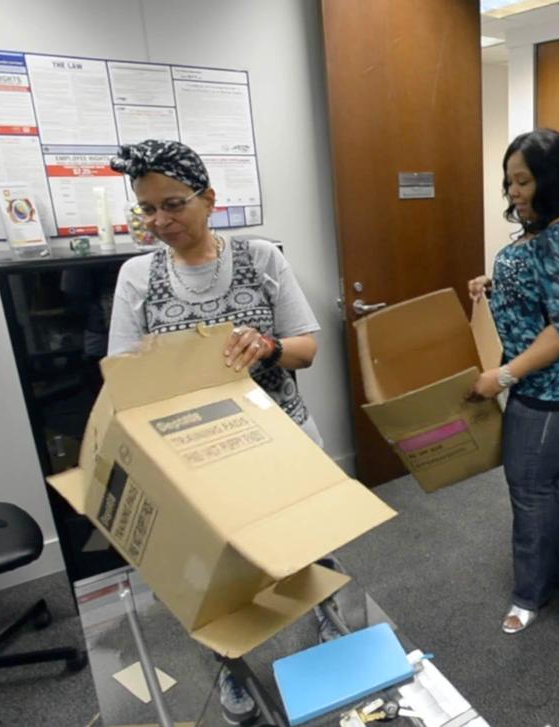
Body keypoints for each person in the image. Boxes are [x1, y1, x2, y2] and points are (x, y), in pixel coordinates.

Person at [107, 139, 337, 725]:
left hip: (280, 437)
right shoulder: (138, 275)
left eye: (174, 204)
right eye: (147, 208)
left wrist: (269, 345)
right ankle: (230, 664)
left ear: (210, 199)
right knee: (216, 572)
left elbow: (307, 349)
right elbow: (121, 375)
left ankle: (325, 615)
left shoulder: (260, 258)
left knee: (305, 541)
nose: (160, 221)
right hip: (196, 453)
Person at [467, 128, 559, 635]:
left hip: (553, 389)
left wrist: (503, 376)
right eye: (509, 181)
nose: (513, 192)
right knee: (558, 480)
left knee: (529, 485)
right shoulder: (558, 225)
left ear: (550, 178)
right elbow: (552, 287)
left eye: (523, 181)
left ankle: (529, 595)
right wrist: (498, 282)